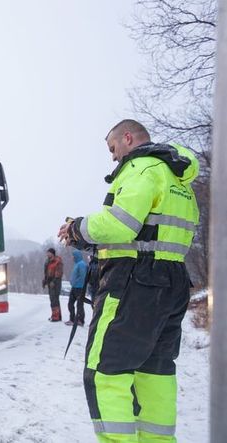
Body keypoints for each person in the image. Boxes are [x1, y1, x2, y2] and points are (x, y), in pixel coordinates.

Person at [58, 119, 199, 442]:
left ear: (127, 138)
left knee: (105, 372)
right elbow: (149, 235)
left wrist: (77, 227)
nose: (112, 157)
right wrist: (91, 241)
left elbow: (121, 224)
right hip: (172, 282)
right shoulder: (178, 181)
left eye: (112, 148)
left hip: (134, 284)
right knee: (155, 373)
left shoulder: (142, 168)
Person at [66, 249, 87, 326]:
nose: (72, 257)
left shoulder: (81, 264)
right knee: (70, 304)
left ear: (76, 256)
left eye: (73, 256)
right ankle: (72, 319)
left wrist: (77, 283)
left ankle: (81, 321)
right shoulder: (76, 264)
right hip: (74, 287)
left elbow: (83, 276)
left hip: (79, 288)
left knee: (79, 304)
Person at [42, 247, 63, 322]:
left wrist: (54, 281)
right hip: (49, 281)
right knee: (53, 299)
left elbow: (59, 273)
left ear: (52, 253)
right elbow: (46, 273)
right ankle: (56, 315)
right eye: (47, 253)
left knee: (54, 299)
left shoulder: (57, 261)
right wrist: (44, 281)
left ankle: (56, 316)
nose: (47, 254)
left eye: (49, 252)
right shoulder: (47, 262)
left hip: (56, 282)